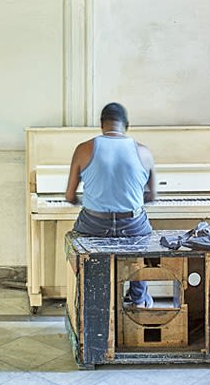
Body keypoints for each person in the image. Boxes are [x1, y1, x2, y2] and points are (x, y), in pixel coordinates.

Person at [65, 102, 157, 309]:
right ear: (127, 125)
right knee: (143, 234)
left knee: (78, 231)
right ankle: (138, 299)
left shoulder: (84, 148)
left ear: (101, 125)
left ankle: (92, 298)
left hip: (94, 225)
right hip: (132, 225)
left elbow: (70, 195)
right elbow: (151, 196)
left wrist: (90, 200)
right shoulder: (143, 151)